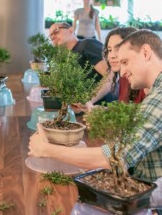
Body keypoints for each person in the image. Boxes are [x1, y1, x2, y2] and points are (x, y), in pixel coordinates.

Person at [29, 29, 162, 207]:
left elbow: (118, 157)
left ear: (146, 52)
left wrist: (46, 150)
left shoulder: (159, 97)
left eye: (125, 61)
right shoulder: (153, 93)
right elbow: (115, 153)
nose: (122, 72)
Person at [86, 26, 146, 109]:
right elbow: (125, 110)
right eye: (109, 50)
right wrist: (100, 110)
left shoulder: (147, 81)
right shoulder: (122, 75)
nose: (111, 56)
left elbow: (143, 117)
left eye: (118, 49)